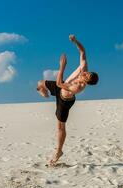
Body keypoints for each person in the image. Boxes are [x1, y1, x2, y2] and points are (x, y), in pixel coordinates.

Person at [36, 34, 99, 166]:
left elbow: (59, 84)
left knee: (60, 127)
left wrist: (62, 67)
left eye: (87, 76)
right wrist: (75, 41)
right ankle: (44, 93)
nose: (85, 73)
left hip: (64, 101)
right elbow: (82, 51)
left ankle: (59, 151)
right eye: (88, 73)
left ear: (86, 82)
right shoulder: (84, 68)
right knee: (41, 83)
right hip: (61, 88)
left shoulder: (78, 87)